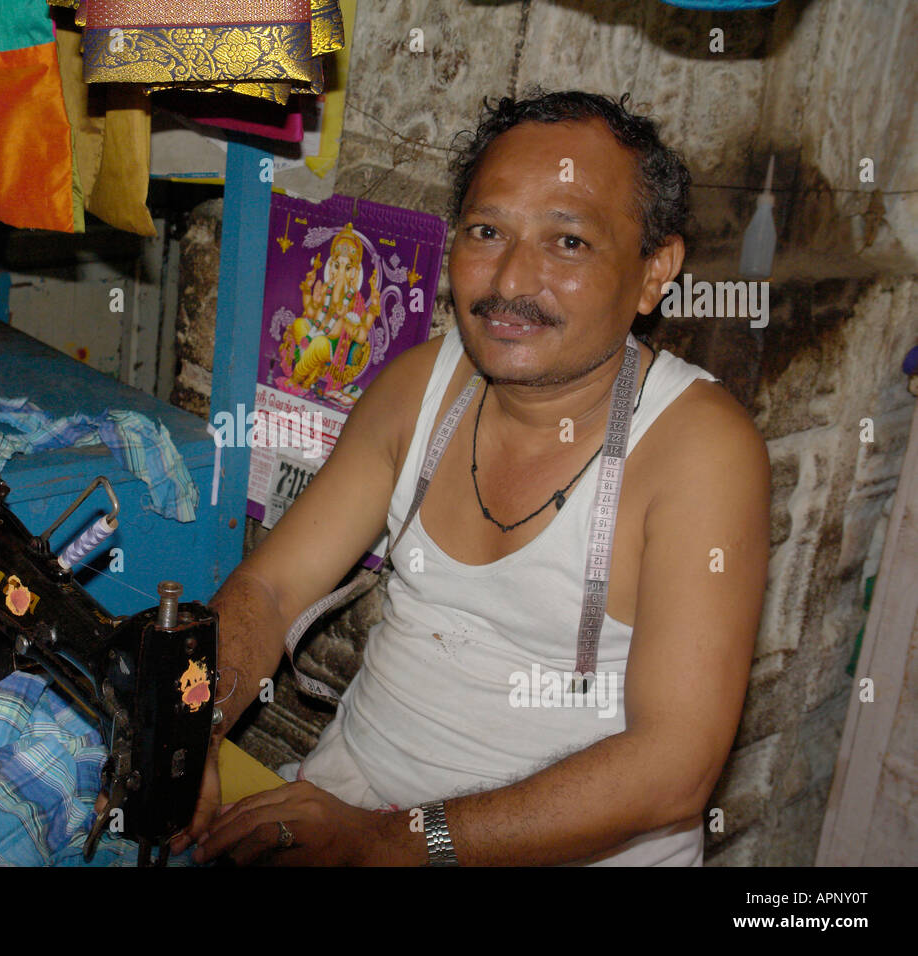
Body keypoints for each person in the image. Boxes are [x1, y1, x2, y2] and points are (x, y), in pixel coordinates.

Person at [176, 89, 772, 866]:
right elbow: (273, 590)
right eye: (487, 231)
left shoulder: (699, 450)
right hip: (355, 807)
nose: (512, 280)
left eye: (568, 243)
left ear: (655, 271)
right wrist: (191, 727)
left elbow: (671, 769)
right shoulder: (418, 388)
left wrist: (398, 841)